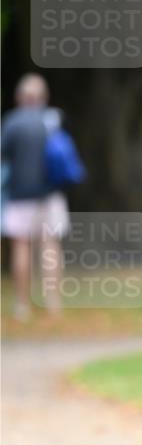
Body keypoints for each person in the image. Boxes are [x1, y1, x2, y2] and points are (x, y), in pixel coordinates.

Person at [1, 74, 70, 320]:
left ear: (20, 97)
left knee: (21, 247)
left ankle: (22, 305)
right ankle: (53, 305)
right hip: (50, 195)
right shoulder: (53, 119)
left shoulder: (12, 123)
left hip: (19, 195)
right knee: (50, 247)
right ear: (43, 97)